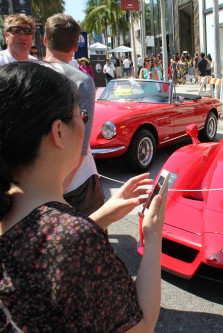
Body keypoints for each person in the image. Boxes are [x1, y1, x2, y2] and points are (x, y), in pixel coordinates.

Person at [0, 61, 165, 332]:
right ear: (58, 132)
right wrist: (153, 234)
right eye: (82, 115)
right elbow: (142, 324)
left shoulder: (11, 206)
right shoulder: (76, 239)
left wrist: (104, 215)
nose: (84, 123)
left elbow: (38, 249)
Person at [43, 14, 104, 216]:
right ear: (75, 46)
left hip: (36, 181)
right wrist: (58, 191)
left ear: (44, 40)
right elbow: (81, 144)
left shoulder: (21, 75)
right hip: (75, 183)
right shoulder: (81, 81)